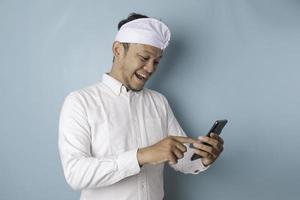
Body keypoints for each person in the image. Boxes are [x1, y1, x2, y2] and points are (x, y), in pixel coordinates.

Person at [58, 13, 224, 200]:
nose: (151, 68)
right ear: (118, 50)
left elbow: (181, 158)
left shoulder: (159, 101)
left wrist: (203, 158)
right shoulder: (80, 102)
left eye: (156, 62)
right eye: (144, 58)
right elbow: (75, 174)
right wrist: (141, 156)